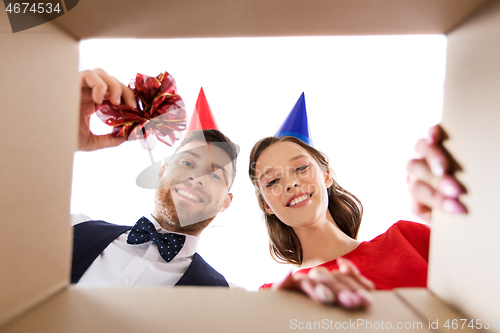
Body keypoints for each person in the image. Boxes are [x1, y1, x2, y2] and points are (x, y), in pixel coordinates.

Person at [248, 94, 466, 308]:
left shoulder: (407, 239)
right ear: (267, 206)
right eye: (273, 180)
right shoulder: (276, 297)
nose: (291, 183)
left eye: (301, 168)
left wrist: (469, 205)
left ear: (326, 176)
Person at [72, 69, 238, 287]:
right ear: (162, 171)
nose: (197, 178)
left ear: (226, 202)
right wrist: (57, 134)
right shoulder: (73, 227)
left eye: (215, 175)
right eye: (187, 163)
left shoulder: (227, 297)